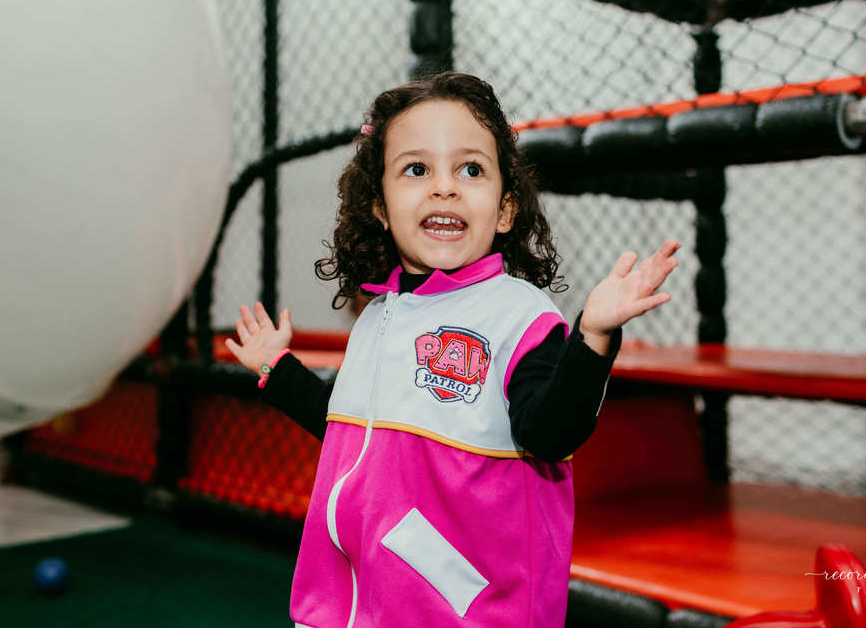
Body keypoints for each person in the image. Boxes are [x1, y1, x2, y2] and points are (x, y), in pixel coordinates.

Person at [225, 71, 679, 628]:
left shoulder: (517, 317)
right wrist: (277, 368)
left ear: (505, 210)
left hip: (462, 609)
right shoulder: (379, 316)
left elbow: (550, 433)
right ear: (380, 206)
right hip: (352, 602)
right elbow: (352, 432)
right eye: (417, 169)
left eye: (471, 169)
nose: (445, 187)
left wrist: (593, 338)